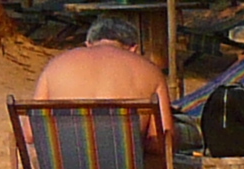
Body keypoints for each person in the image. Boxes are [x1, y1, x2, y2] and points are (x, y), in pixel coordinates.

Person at [35, 17, 169, 123]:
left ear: (88, 44)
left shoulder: (55, 66)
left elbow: (30, 132)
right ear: (133, 49)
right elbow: (162, 138)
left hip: (62, 156)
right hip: (123, 156)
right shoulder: (151, 71)